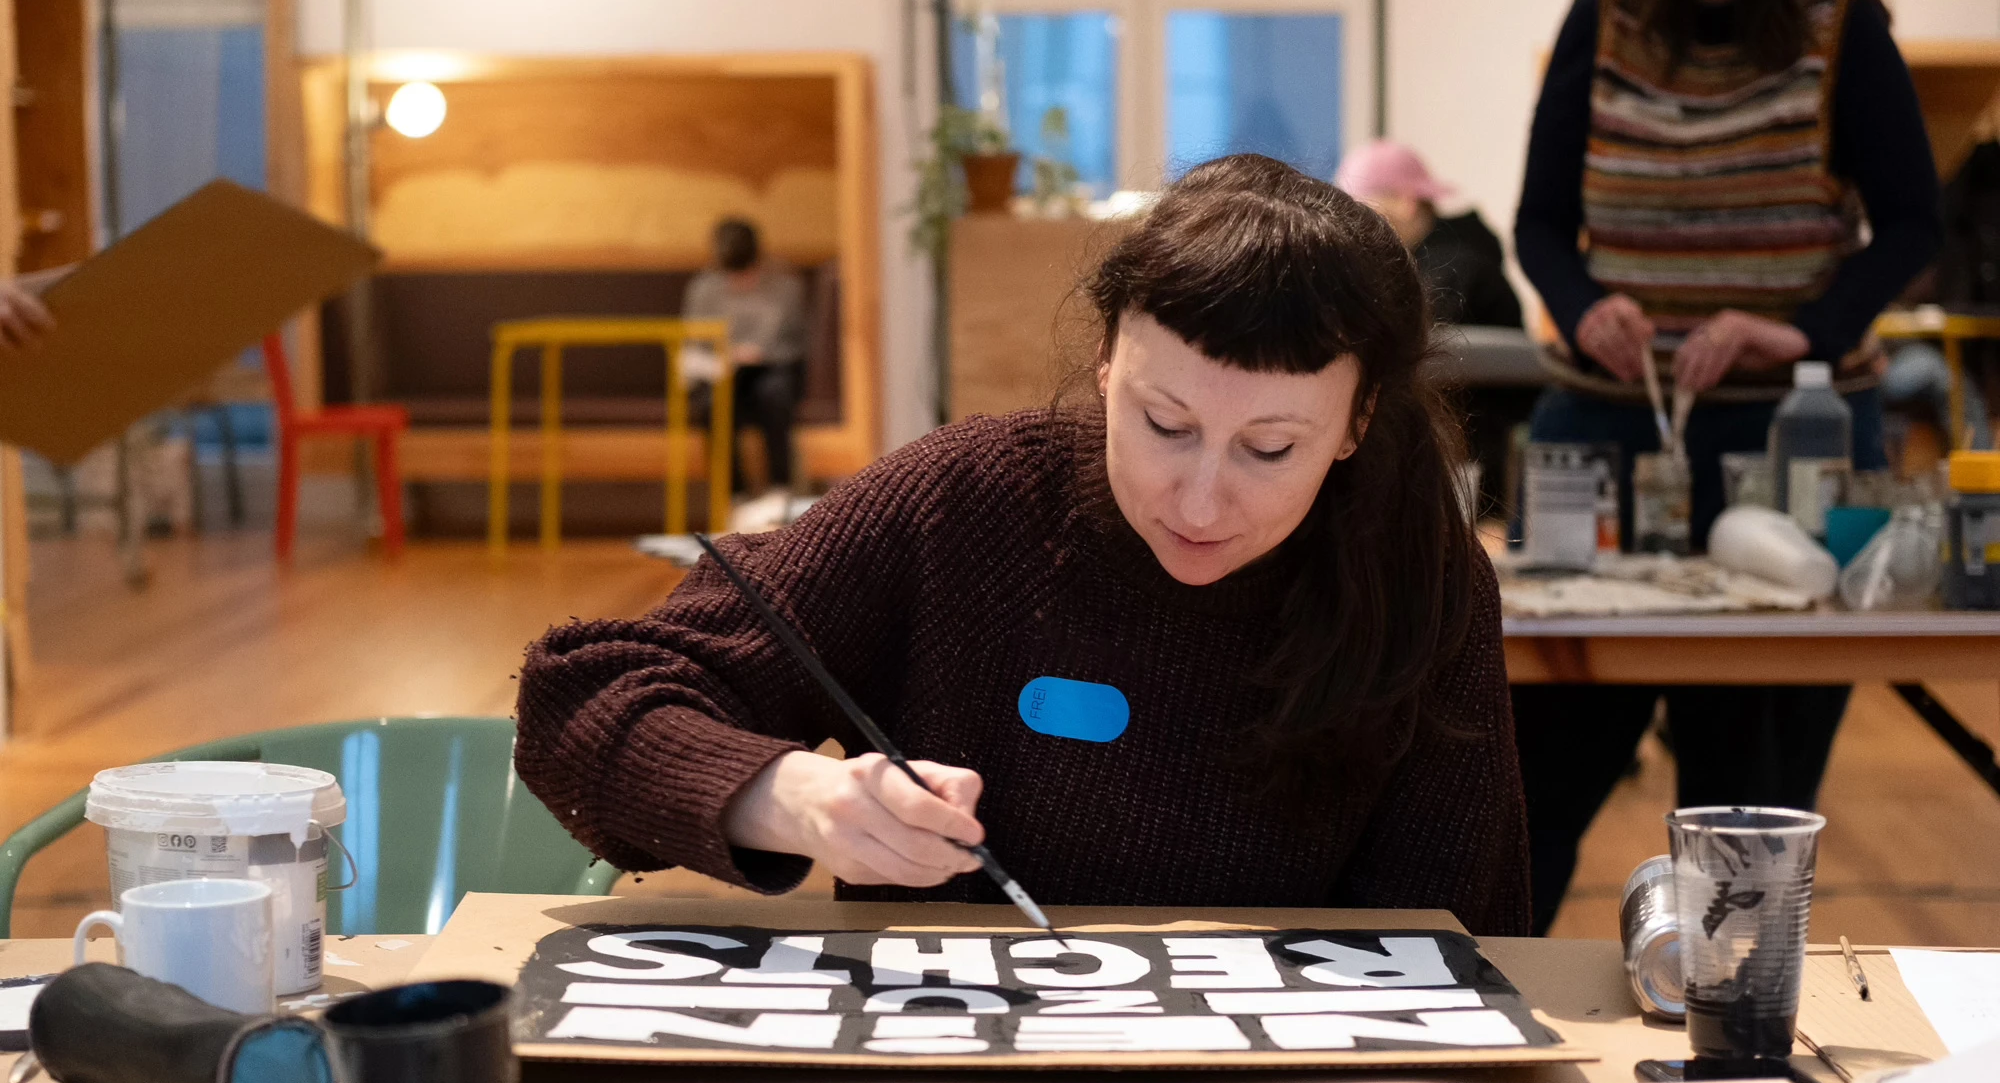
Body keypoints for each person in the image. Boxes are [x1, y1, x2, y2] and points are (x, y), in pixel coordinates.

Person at [515, 154, 1531, 934]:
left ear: (1353, 426)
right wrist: (800, 801)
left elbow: (1455, 935)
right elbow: (580, 703)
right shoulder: (969, 504)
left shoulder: (1418, 577)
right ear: (1102, 363)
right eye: (1163, 424)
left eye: (1269, 448)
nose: (1201, 498)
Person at [1512, 0, 1942, 933]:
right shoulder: (1597, 26)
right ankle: (1477, 1011)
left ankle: (1738, 1029)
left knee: (1749, 805)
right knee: (1536, 775)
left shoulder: (1841, 30)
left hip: (1788, 450)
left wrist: (1793, 333)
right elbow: (1537, 224)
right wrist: (1581, 306)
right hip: (1607, 440)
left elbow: (1911, 223)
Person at [1335, 140, 1523, 330]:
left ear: (1405, 202)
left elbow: (1410, 352)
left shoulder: (1446, 277)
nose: (1349, 223)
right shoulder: (1456, 258)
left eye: (1358, 209)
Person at [683, 218, 808, 491]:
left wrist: (762, 353)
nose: (739, 281)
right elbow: (695, 341)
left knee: (774, 394)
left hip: (773, 367)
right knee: (712, 404)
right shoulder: (704, 290)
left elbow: (797, 341)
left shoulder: (785, 287)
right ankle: (733, 493)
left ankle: (780, 488)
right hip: (721, 371)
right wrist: (728, 355)